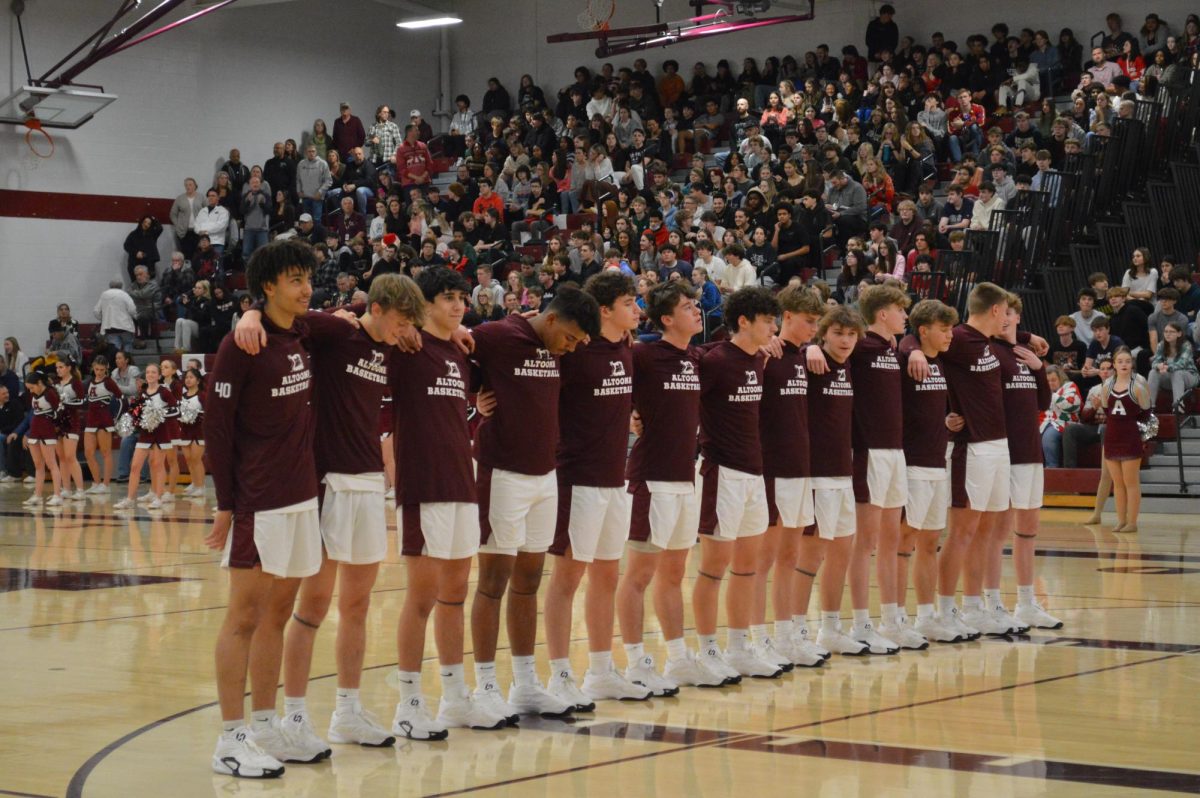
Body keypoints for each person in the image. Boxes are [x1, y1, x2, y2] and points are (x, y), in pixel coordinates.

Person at [233, 271, 431, 747]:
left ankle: (347, 711)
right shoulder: (335, 330)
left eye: (411, 324)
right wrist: (250, 311)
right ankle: (295, 717)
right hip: (327, 480)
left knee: (358, 605)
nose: (405, 331)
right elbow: (286, 318)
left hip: (367, 483)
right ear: (376, 308)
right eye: (401, 320)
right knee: (312, 606)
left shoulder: (395, 346)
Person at [203, 239, 322, 778]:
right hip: (257, 499)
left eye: (308, 279)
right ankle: (230, 739)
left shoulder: (299, 333)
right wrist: (226, 504)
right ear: (269, 285)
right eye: (296, 279)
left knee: (277, 613)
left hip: (301, 496)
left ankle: (268, 725)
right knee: (244, 616)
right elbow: (218, 430)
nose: (307, 289)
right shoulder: (239, 345)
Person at [469, 286, 599, 720]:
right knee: (493, 583)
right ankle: (485, 685)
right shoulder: (495, 335)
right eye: (571, 338)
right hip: (502, 473)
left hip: (546, 476)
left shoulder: (559, 347)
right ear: (552, 319)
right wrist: (474, 397)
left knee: (528, 582)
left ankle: (525, 684)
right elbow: (450, 349)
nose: (573, 347)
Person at [904, 282, 1046, 640]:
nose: (1010, 319)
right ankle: (945, 609)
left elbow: (1011, 338)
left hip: (999, 447)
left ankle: (974, 606)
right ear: (997, 311)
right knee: (963, 532)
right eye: (1007, 313)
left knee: (987, 533)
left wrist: (1027, 336)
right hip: (972, 448)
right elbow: (915, 339)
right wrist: (913, 353)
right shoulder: (961, 338)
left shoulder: (986, 343)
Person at [544, 272, 653, 707]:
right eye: (630, 303)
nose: (638, 311)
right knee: (566, 580)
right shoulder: (573, 350)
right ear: (604, 309)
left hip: (615, 479)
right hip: (577, 477)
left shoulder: (628, 349)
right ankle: (558, 675)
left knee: (607, 576)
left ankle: (602, 670)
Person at [617, 281, 726, 689]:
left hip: (686, 477)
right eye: (687, 307)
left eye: (697, 305)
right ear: (666, 318)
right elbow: (608, 381)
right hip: (651, 478)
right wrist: (631, 412)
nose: (697, 311)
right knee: (639, 575)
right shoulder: (642, 354)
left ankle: (678, 659)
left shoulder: (698, 357)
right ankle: (634, 662)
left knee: (675, 574)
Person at [693, 286, 785, 679]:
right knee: (714, 567)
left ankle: (739, 646)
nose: (773, 328)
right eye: (767, 321)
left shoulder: (758, 360)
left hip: (754, 471)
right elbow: (682, 399)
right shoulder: (715, 361)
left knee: (748, 567)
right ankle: (706, 650)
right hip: (722, 472)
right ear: (743, 321)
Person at [839, 285, 923, 652]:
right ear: (883, 313)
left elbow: (916, 341)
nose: (906, 316)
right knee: (865, 542)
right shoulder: (859, 346)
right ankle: (859, 623)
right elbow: (827, 351)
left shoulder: (894, 348)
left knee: (891, 538)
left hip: (895, 452)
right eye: (900, 309)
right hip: (868, 451)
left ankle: (891, 618)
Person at [749, 285, 828, 668]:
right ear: (788, 317)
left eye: (817, 322)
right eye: (809, 321)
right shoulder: (768, 354)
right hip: (773, 467)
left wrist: (811, 347)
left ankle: (785, 636)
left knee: (790, 557)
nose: (814, 328)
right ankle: (755, 637)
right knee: (763, 560)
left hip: (802, 468)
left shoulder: (801, 357)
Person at [896, 299, 963, 644]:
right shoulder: (907, 356)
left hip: (939, 461)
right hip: (912, 463)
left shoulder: (941, 362)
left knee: (931, 540)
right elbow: (903, 343)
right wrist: (912, 348)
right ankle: (895, 618)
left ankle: (925, 616)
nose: (950, 334)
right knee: (904, 540)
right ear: (924, 331)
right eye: (943, 329)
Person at [991, 294, 1059, 631]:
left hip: (1030, 450)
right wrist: (1024, 335)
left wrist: (1039, 368)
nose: (1004, 318)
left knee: (1028, 529)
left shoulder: (1028, 355)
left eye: (1010, 314)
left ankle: (1027, 602)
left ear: (1017, 316)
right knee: (997, 530)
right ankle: (991, 602)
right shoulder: (988, 349)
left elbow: (1043, 402)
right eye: (1000, 313)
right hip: (1001, 451)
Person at [1101, 347, 1151, 533]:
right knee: (1117, 483)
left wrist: (1132, 427)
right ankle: (1121, 520)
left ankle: (1132, 522)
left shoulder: (1137, 388)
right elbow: (1107, 410)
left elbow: (1146, 413)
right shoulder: (1107, 387)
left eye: (1127, 361)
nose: (1124, 364)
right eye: (1120, 361)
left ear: (1132, 364)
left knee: (1131, 482)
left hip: (1130, 438)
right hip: (1112, 437)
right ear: (1114, 365)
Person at [113, 362, 174, 511]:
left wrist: (159, 415)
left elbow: (176, 410)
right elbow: (137, 413)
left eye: (153, 372)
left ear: (159, 376)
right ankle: (129, 499)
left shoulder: (164, 392)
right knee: (135, 466)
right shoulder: (143, 393)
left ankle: (158, 498)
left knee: (157, 465)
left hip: (160, 433)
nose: (150, 375)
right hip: (145, 434)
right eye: (148, 372)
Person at [20, 371, 64, 507]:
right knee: (38, 465)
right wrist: (27, 433)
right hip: (34, 432)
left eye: (32, 387)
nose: (30, 390)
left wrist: (55, 426)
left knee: (51, 464)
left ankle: (57, 495)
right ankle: (37, 496)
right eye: (28, 388)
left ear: (39, 383)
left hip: (47, 432)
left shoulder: (50, 393)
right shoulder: (34, 394)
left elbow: (60, 410)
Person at [82, 355, 121, 494]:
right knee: (88, 453)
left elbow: (120, 398)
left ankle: (106, 484)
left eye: (102, 370)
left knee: (106, 453)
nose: (99, 372)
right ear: (93, 367)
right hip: (91, 420)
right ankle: (96, 482)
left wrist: (115, 417)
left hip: (104, 420)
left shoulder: (109, 382)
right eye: (97, 369)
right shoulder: (89, 382)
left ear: (107, 369)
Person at [52, 356, 87, 500]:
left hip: (72, 422)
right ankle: (66, 488)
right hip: (58, 423)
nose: (58, 370)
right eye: (57, 368)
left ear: (68, 368)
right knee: (61, 457)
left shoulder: (76, 382)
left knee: (70, 456)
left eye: (61, 367)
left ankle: (80, 490)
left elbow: (82, 402)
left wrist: (65, 404)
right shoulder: (55, 383)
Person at [1039, 365, 1082, 468]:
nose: (1050, 383)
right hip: (1043, 423)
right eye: (1047, 381)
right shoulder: (1041, 392)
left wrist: (1050, 394)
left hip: (1064, 424)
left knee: (1049, 436)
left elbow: (1071, 405)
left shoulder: (1069, 386)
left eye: (1053, 380)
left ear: (1060, 378)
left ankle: (1052, 468)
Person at [1148, 322, 1198, 407]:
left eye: (1171, 332)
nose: (1168, 334)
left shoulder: (1186, 345)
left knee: (1177, 372)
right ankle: (1149, 406)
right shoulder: (1161, 345)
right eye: (1166, 331)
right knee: (1153, 372)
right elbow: (1155, 361)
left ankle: (1178, 406)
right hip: (1170, 376)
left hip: (1189, 377)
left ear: (1179, 334)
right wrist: (1158, 366)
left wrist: (1167, 368)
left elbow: (1182, 364)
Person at [176, 367, 207, 499]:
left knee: (196, 458)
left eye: (191, 377)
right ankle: (194, 483)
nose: (188, 380)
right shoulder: (182, 396)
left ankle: (201, 486)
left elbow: (210, 412)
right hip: (185, 430)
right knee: (188, 458)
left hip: (199, 431)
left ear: (198, 380)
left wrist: (199, 415)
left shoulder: (202, 395)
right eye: (186, 377)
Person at [124, 215, 163, 280]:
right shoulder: (133, 234)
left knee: (148, 284)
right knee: (136, 284)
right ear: (141, 222)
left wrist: (153, 218)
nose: (146, 224)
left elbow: (160, 228)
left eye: (149, 223)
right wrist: (136, 253)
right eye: (145, 222)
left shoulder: (153, 234)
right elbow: (126, 246)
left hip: (148, 264)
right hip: (135, 263)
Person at [194, 189, 231, 258]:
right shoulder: (202, 211)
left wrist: (205, 230)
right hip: (203, 242)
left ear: (218, 198)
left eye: (213, 196)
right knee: (202, 265)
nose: (210, 197)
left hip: (216, 243)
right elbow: (196, 224)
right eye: (209, 196)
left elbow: (221, 226)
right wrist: (199, 231)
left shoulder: (223, 211)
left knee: (216, 265)